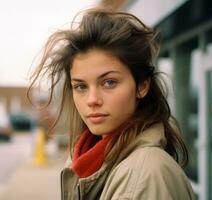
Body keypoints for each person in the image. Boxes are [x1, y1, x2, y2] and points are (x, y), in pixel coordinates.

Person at [29, 7, 195, 200]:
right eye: (81, 86)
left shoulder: (147, 175)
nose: (92, 100)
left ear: (142, 86)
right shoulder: (89, 159)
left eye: (109, 82)